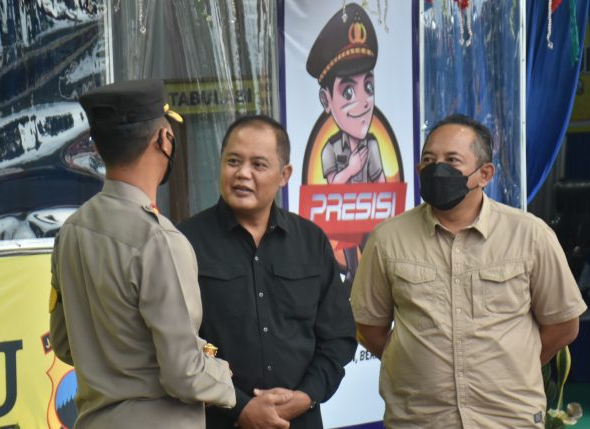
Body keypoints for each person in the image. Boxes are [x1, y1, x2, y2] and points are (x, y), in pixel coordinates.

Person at [350, 114, 587, 428]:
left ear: (484, 174)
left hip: (506, 418)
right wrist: (416, 365)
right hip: (420, 419)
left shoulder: (530, 235)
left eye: (452, 160)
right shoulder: (387, 239)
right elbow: (370, 328)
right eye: (429, 160)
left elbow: (563, 325)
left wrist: (515, 367)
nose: (437, 169)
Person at [49, 79, 236, 429]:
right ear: (164, 139)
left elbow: (64, 343)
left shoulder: (71, 232)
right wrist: (226, 377)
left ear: (98, 147)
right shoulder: (159, 240)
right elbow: (185, 374)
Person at [178, 115, 357, 429]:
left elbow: (338, 337)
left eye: (258, 164)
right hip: (219, 420)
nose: (242, 173)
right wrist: (239, 406)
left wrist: (306, 395)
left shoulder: (311, 241)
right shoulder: (185, 242)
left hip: (300, 420)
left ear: (284, 174)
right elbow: (183, 344)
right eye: (233, 161)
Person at [306, 3, 386, 286]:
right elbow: (332, 187)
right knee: (349, 242)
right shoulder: (329, 149)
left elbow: (382, 186)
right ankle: (351, 274)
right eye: (349, 91)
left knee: (376, 252)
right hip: (344, 219)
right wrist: (351, 169)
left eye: (369, 87)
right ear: (326, 100)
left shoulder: (372, 144)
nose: (363, 102)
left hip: (369, 217)